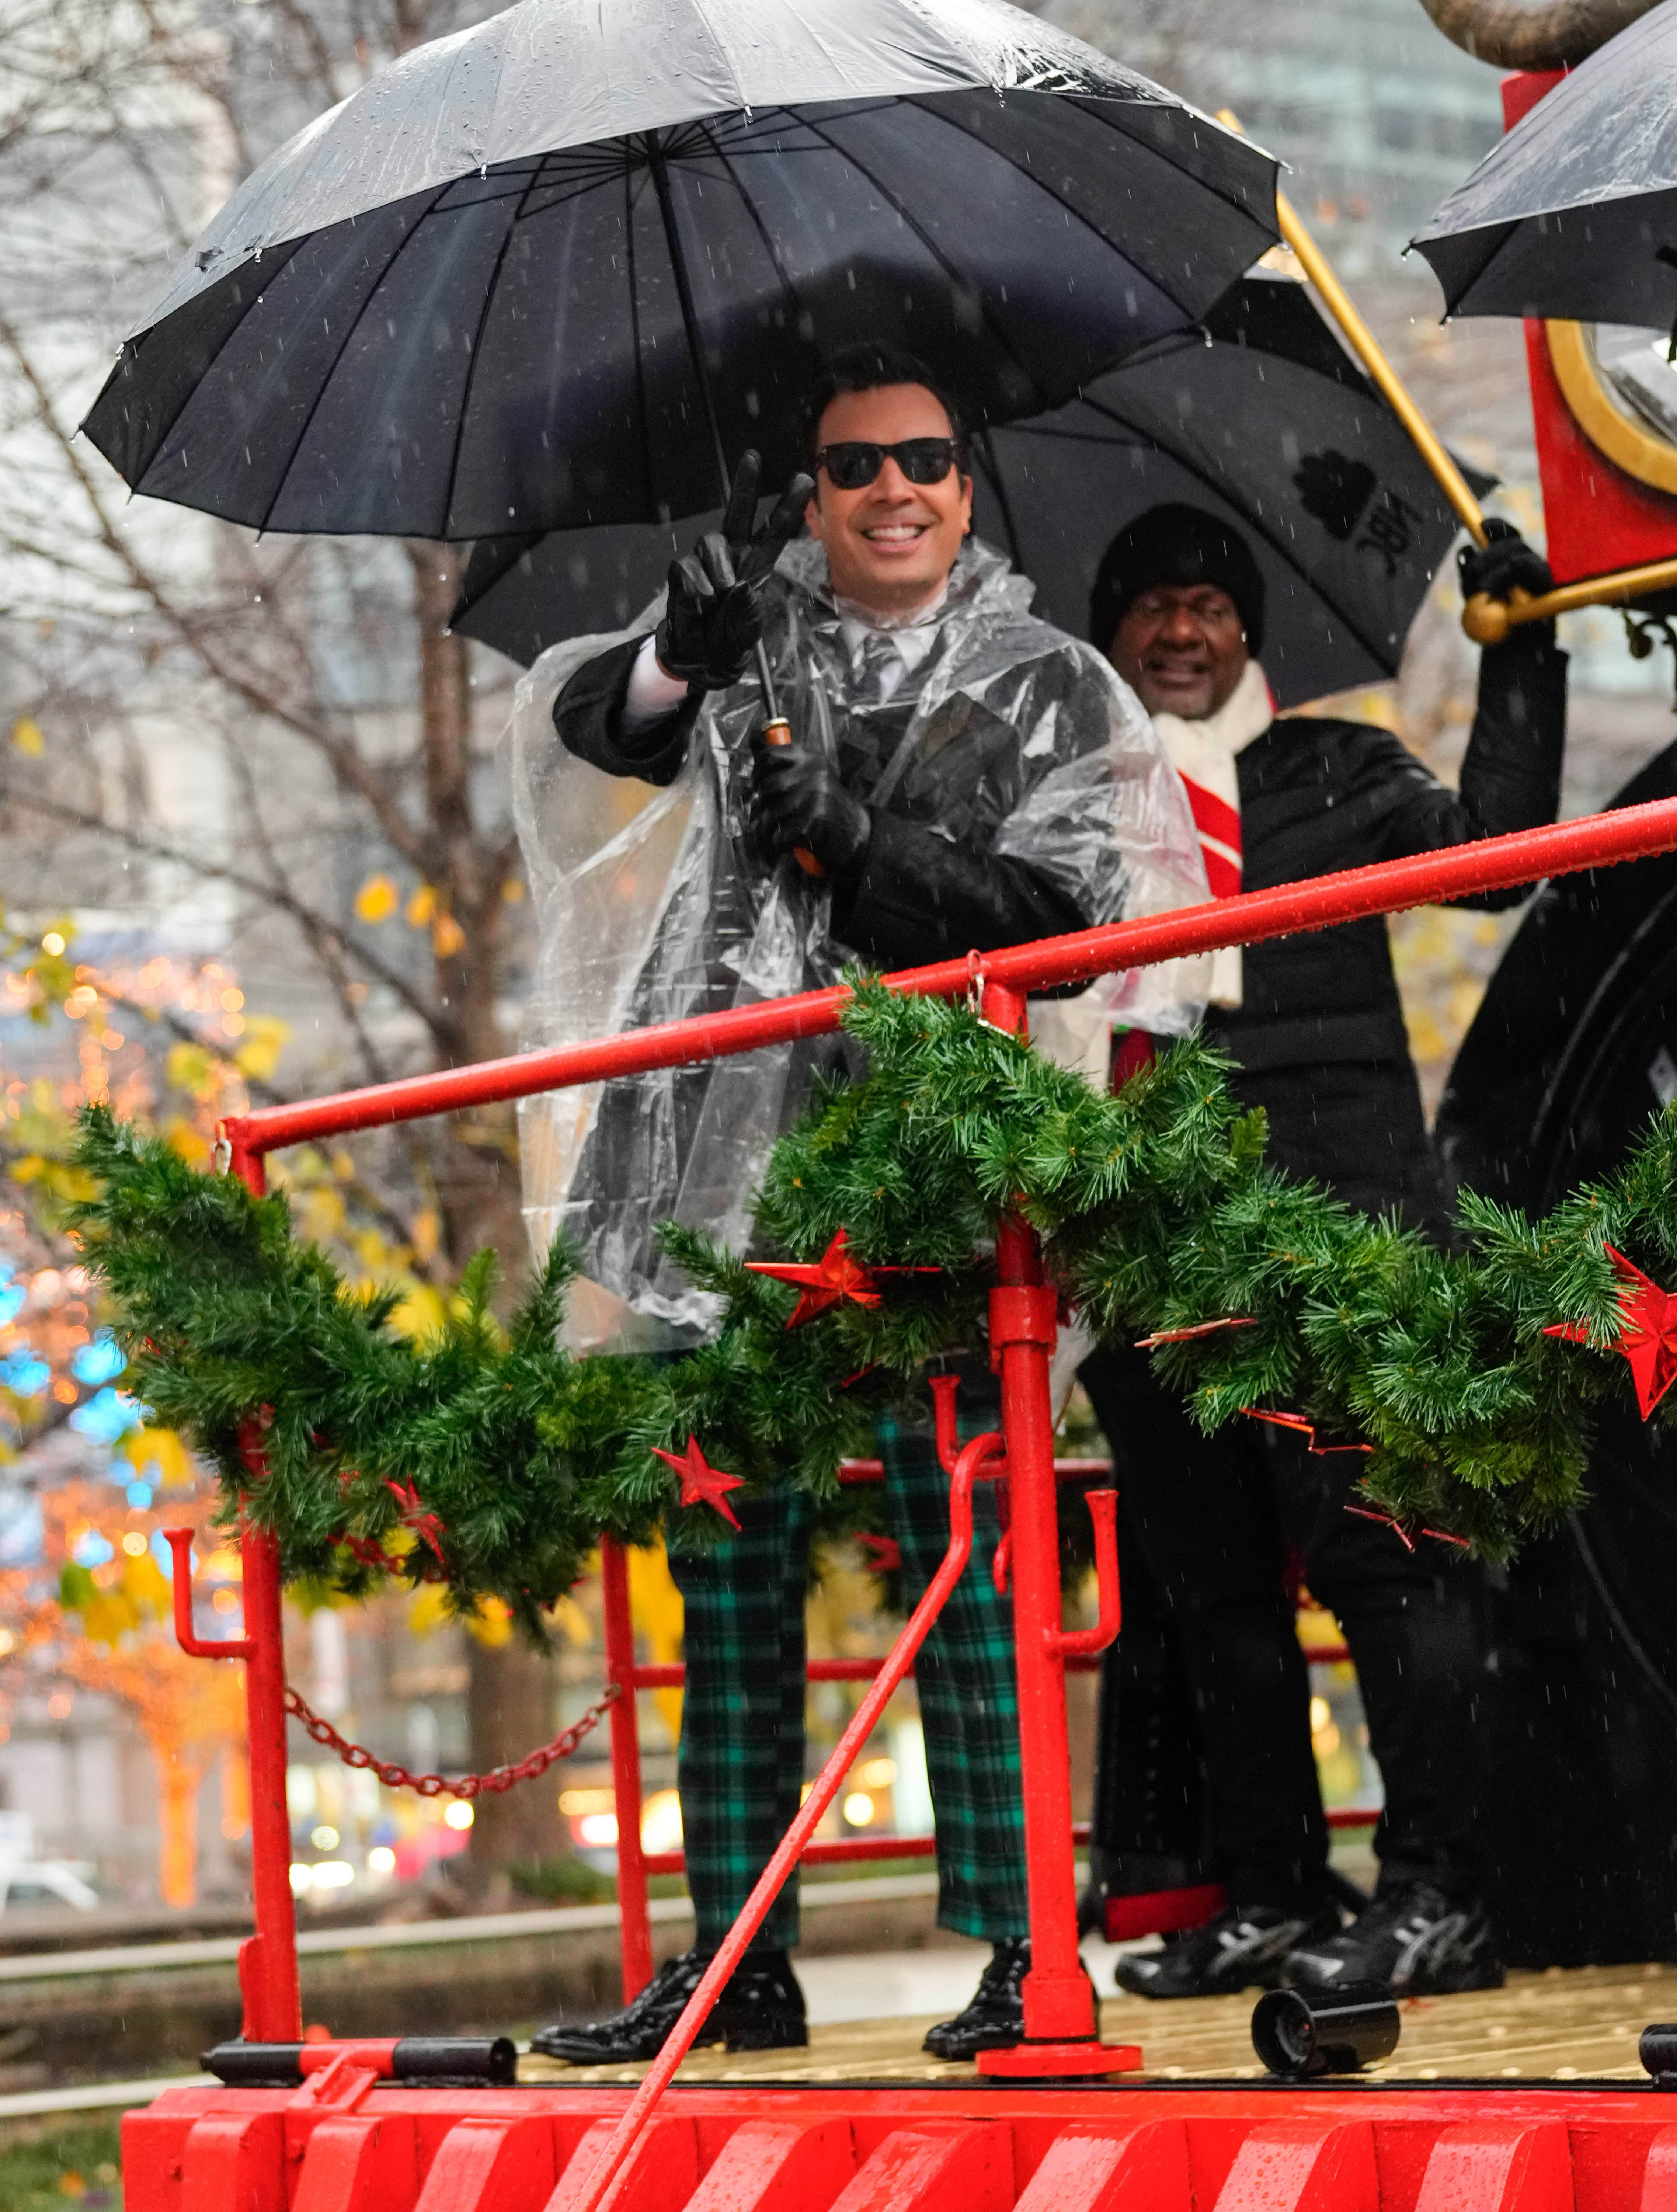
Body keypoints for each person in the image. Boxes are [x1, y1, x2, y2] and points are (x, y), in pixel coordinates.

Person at [511, 347, 1209, 2063]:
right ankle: (734, 1952)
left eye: (921, 460)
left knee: (965, 1560)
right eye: (851, 468)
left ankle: (1014, 1947)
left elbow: (1068, 913)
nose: (890, 491)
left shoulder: (1051, 683)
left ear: (968, 484)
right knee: (723, 1566)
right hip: (714, 1169)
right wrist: (682, 644)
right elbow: (603, 731)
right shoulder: (759, 641)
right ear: (810, 497)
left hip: (933, 1174)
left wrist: (861, 848)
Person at [1078, 502, 1566, 1999]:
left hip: (1340, 1238)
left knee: (1387, 1575)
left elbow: (1490, 863)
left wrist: (1524, 656)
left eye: (1206, 605)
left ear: (1248, 631)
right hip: (1154, 1249)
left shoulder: (1334, 767)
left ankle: (1441, 1892)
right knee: (1215, 1597)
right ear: (1112, 635)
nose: (1179, 629)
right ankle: (1277, 1889)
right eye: (1150, 605)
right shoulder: (1075, 805)